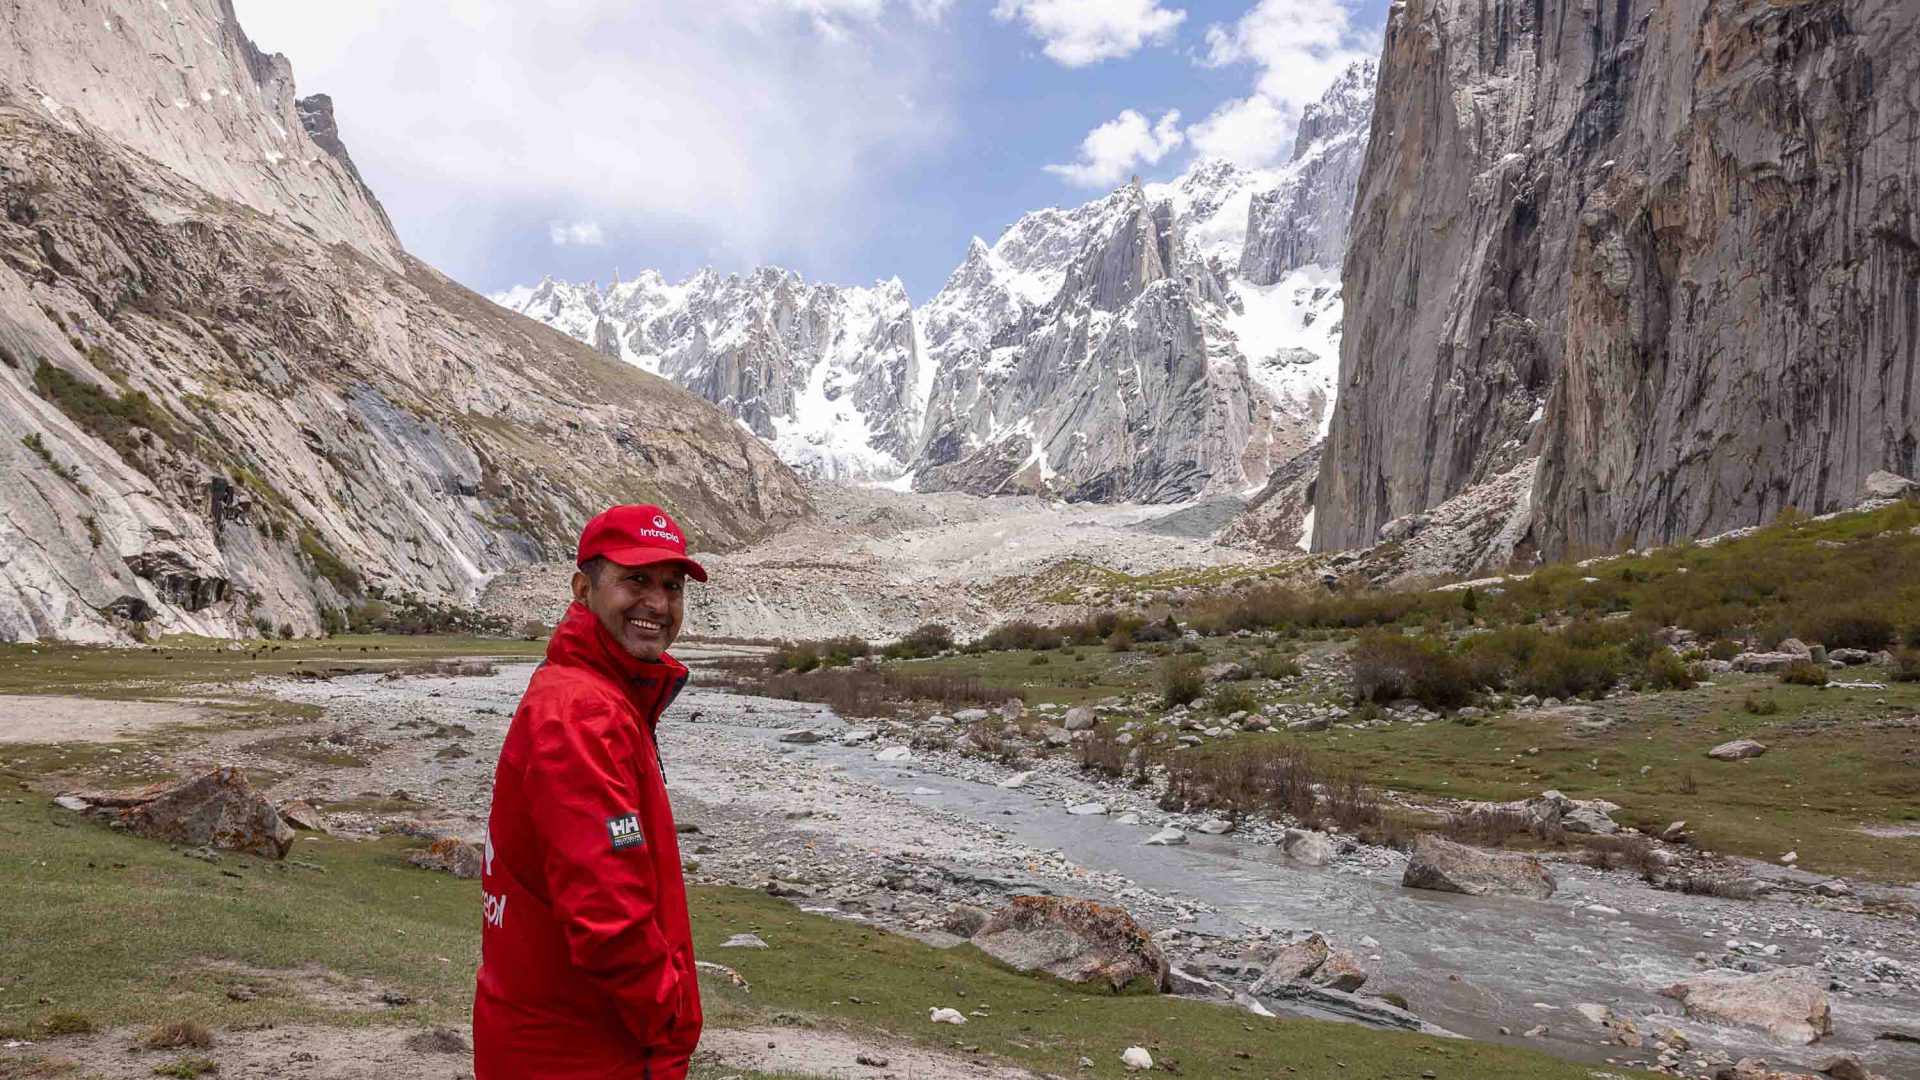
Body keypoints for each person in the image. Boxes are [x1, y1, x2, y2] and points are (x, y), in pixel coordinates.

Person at [473, 504, 706, 1080]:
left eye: (672, 587)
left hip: (550, 1036)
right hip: (585, 1053)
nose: (657, 603)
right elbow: (608, 914)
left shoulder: (594, 694)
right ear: (583, 589)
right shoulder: (583, 713)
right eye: (636, 580)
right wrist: (668, 1024)